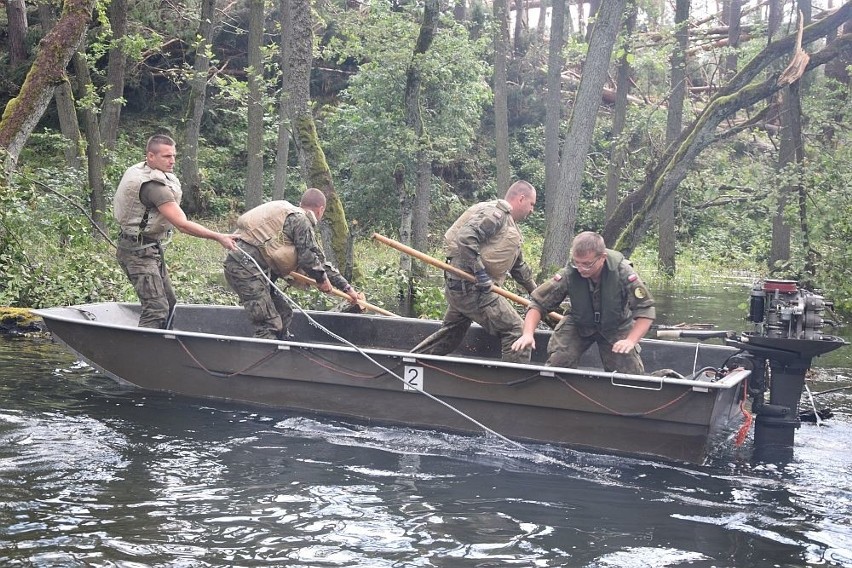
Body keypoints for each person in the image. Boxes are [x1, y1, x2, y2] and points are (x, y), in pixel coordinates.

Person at [113, 134, 237, 328]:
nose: (172, 161)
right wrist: (218, 236)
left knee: (169, 304)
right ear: (150, 157)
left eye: (173, 156)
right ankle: (143, 354)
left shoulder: (145, 170)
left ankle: (163, 349)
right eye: (166, 156)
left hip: (148, 247)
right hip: (136, 252)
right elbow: (182, 224)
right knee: (156, 309)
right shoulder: (153, 187)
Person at [411, 180, 538, 363]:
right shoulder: (496, 215)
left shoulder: (509, 226)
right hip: (472, 287)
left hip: (463, 288)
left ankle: (406, 363)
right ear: (521, 198)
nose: (532, 210)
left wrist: (537, 295)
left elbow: (519, 267)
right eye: (531, 204)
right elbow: (466, 237)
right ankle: (513, 387)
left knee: (449, 336)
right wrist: (480, 273)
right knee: (517, 331)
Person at [223, 187, 360, 340]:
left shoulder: (290, 215)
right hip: (244, 269)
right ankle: (265, 360)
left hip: (253, 269)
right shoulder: (301, 220)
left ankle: (282, 352)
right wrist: (322, 280)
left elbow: (319, 261)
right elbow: (308, 258)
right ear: (321, 209)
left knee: (284, 313)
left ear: (301, 203)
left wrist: (347, 288)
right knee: (269, 324)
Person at [511, 231, 655, 373]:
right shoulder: (569, 272)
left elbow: (646, 310)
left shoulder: (624, 272)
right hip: (579, 322)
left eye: (587, 264)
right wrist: (528, 334)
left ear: (602, 258)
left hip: (616, 325)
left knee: (629, 374)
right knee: (559, 362)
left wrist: (631, 341)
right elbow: (538, 304)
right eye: (577, 262)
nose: (581, 269)